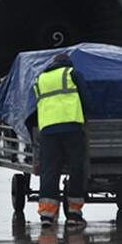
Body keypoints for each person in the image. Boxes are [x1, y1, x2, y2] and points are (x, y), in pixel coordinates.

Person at [34, 53, 87, 228]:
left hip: (48, 130)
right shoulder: (72, 74)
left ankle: (47, 215)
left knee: (49, 171)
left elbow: (35, 103)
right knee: (76, 168)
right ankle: (74, 214)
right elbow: (86, 98)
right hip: (71, 127)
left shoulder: (41, 78)